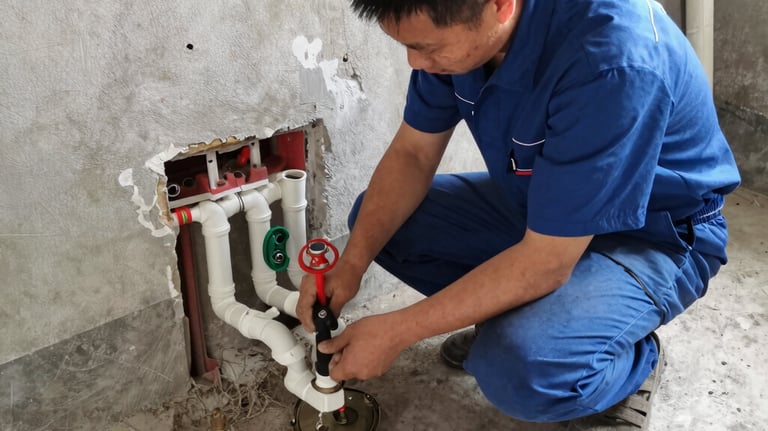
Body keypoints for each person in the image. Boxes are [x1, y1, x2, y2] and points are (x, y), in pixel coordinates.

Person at [297, 0, 741, 429]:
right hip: (546, 211)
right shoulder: (459, 35)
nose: (416, 62)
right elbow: (413, 154)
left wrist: (398, 331)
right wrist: (351, 264)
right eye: (408, 46)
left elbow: (547, 262)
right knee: (380, 225)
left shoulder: (612, 59)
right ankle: (524, 322)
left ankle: (627, 367)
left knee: (518, 370)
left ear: (500, 5)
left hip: (654, 233)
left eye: (428, 48)